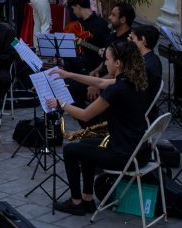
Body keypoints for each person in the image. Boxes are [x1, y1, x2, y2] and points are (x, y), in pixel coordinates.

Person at [49, 40, 151, 215]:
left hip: (123, 155)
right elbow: (100, 83)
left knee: (70, 151)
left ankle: (76, 202)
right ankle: (87, 199)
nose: (105, 63)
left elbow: (85, 115)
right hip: (139, 151)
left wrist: (61, 104)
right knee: (85, 143)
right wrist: (68, 74)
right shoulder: (133, 80)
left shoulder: (118, 89)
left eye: (107, 59)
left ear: (118, 63)